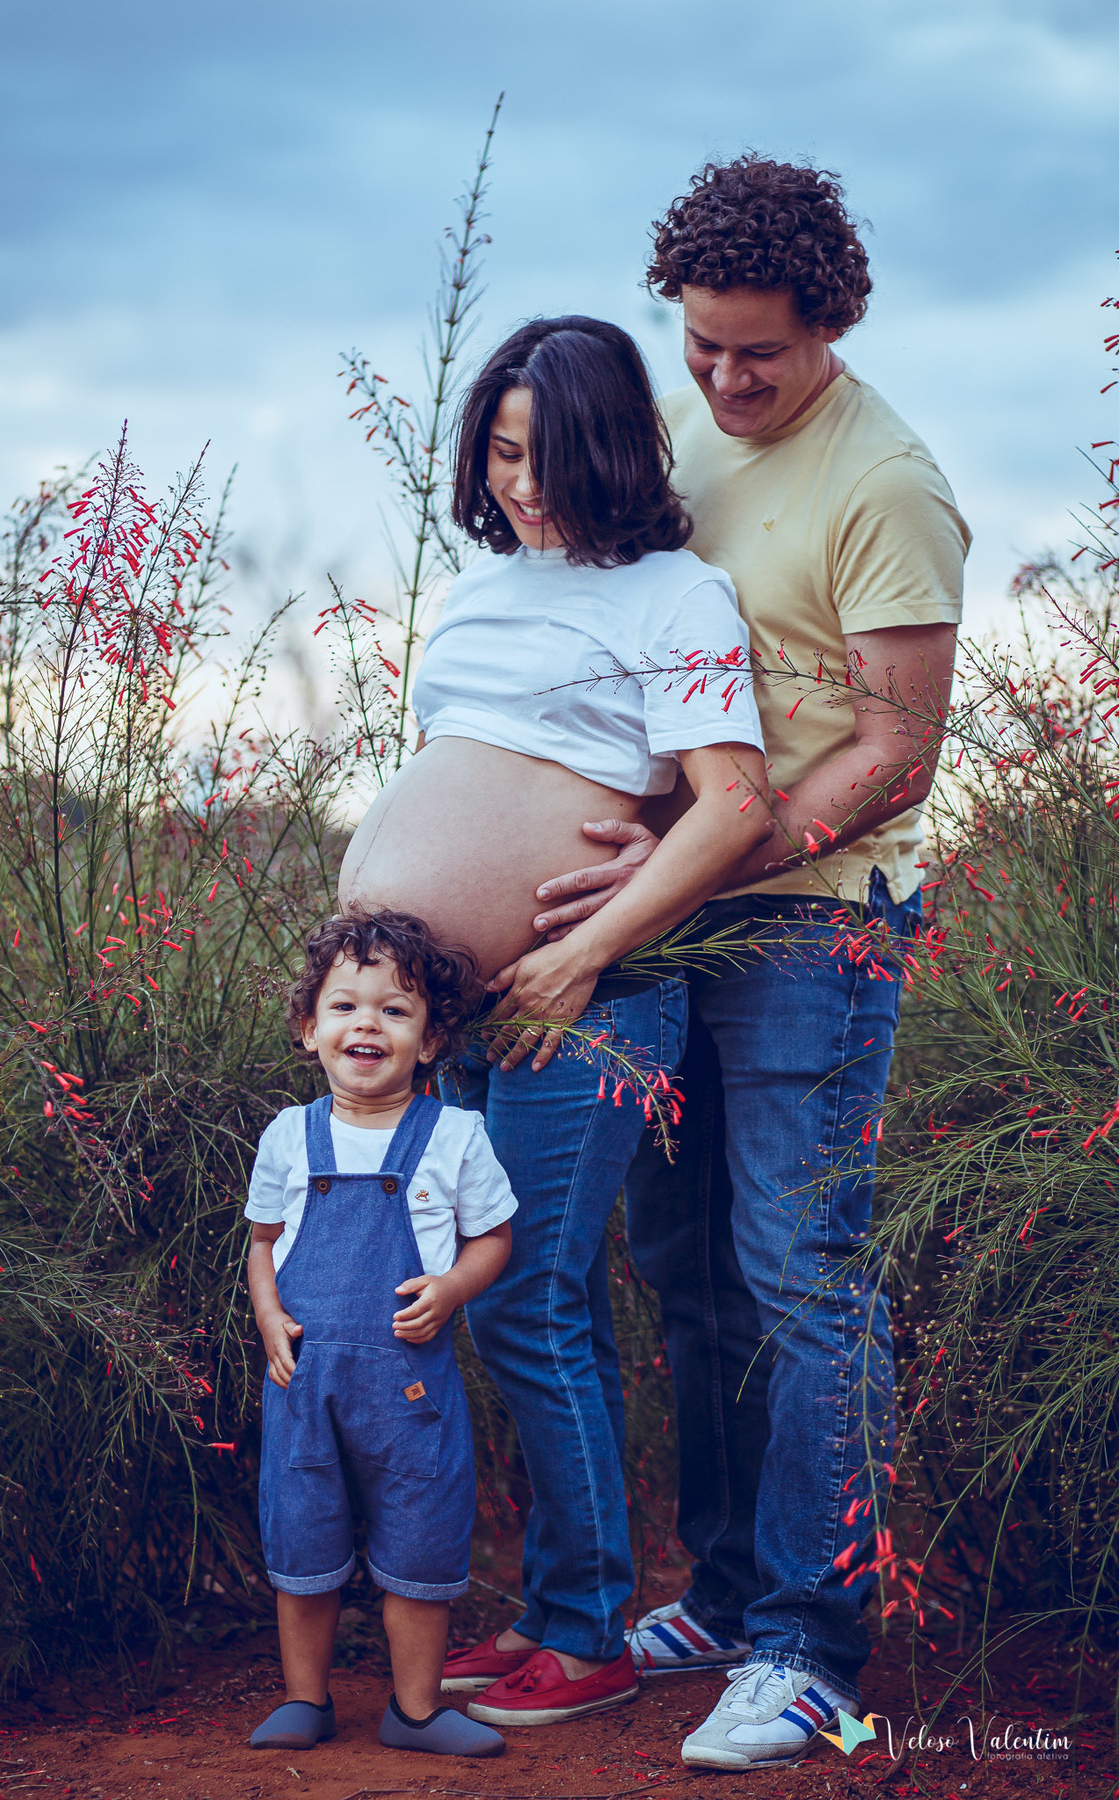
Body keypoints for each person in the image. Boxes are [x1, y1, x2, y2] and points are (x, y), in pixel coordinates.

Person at [528, 158, 970, 1769]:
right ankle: (720, 1599)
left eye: (756, 353)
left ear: (833, 321)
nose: (721, 380)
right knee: (689, 1277)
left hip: (816, 928)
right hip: (671, 930)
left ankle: (809, 1649)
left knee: (802, 1284)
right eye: (698, 345)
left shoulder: (889, 484)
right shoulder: (689, 432)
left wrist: (702, 852)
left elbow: (895, 756)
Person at [338, 316, 772, 1725]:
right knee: (518, 1300)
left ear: (617, 452)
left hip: (587, 1003)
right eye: (503, 451)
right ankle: (553, 1611)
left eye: (553, 455)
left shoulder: (675, 594)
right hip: (457, 1019)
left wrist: (581, 951)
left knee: (530, 1293)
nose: (524, 483)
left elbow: (732, 805)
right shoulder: (474, 593)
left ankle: (584, 1635)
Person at [244, 908, 515, 1759]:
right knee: (303, 1532)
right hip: (304, 1383)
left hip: (411, 1388)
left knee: (419, 1542)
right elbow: (259, 1245)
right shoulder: (289, 1136)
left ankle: (417, 1709)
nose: (368, 1023)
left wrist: (453, 1287)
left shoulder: (456, 1136)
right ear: (309, 1030)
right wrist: (266, 1316)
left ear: (431, 1041)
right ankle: (304, 1699)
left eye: (396, 1011)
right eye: (345, 1007)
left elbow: (495, 1237)